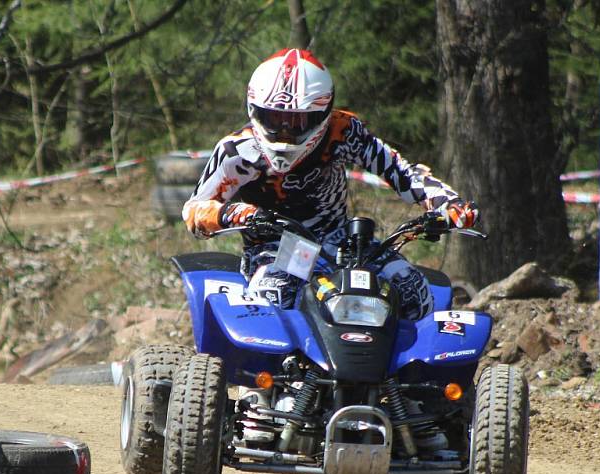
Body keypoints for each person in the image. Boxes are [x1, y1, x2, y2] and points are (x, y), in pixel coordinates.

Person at [182, 48, 478, 319]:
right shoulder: (237, 152)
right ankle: (280, 377)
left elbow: (401, 171)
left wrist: (448, 204)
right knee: (275, 297)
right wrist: (237, 214)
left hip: (343, 242)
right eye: (274, 118)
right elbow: (195, 211)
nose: (285, 133)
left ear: (322, 113)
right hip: (280, 247)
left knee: (415, 293)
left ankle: (408, 374)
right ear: (254, 110)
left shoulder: (344, 132)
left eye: (297, 122)